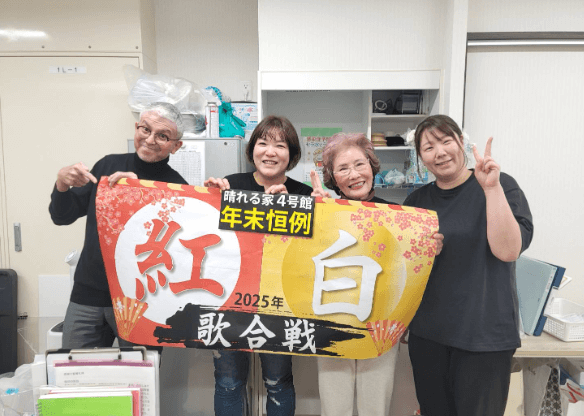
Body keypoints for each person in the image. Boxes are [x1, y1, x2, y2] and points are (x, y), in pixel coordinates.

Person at [403, 115, 534, 416]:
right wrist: (420, 253)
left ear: (461, 142)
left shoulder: (501, 186)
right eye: (428, 147)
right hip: (429, 336)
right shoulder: (416, 201)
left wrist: (491, 189)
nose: (439, 152)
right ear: (420, 157)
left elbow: (508, 251)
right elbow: (403, 269)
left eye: (446, 141)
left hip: (484, 336)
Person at [50, 102, 188, 349]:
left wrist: (137, 191)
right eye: (145, 129)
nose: (150, 140)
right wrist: (62, 184)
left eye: (162, 136)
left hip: (144, 300)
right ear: (136, 128)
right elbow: (62, 216)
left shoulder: (178, 188)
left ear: (176, 146)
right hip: (89, 292)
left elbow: (179, 253)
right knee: (75, 368)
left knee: (140, 371)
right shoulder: (107, 166)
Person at [204, 115, 312, 416]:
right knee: (228, 382)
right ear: (252, 150)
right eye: (263, 143)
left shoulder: (302, 194)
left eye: (280, 145)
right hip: (230, 300)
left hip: (279, 302)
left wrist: (292, 209)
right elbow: (208, 236)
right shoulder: (231, 185)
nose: (270, 151)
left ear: (291, 154)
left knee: (278, 381)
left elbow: (308, 254)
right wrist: (208, 199)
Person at [310, 132, 403, 416]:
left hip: (381, 324)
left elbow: (409, 271)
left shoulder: (399, 215)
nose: (354, 174)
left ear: (372, 167)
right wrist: (317, 216)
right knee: (334, 406)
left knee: (375, 407)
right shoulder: (322, 211)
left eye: (360, 164)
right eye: (343, 168)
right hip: (332, 320)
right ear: (333, 178)